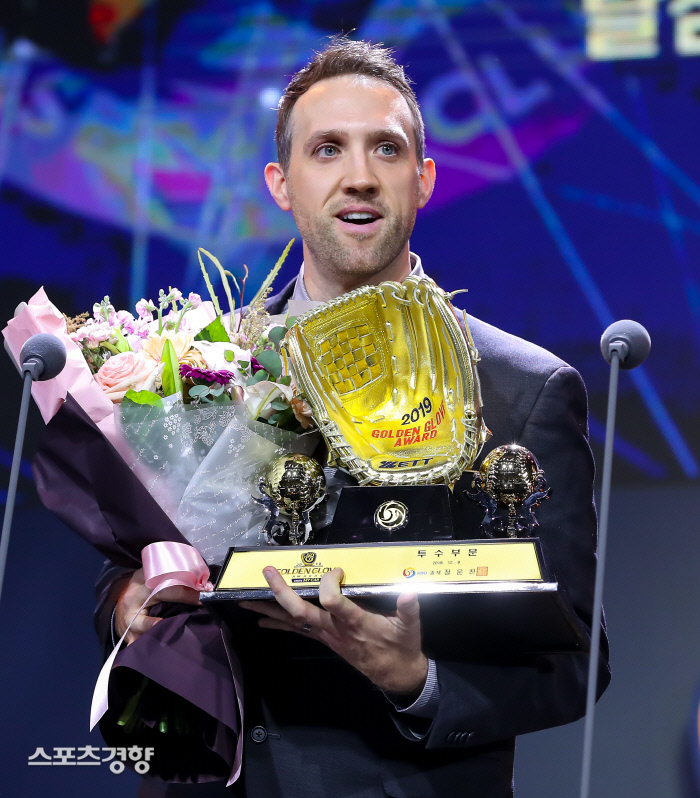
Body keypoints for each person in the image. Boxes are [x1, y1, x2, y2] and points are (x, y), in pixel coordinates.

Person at [93, 39, 609, 797]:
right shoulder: (194, 366)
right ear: (282, 184)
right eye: (327, 149)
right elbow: (128, 562)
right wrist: (126, 606)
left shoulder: (524, 389)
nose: (359, 176)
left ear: (423, 179)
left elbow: (576, 663)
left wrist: (414, 678)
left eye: (386, 149)